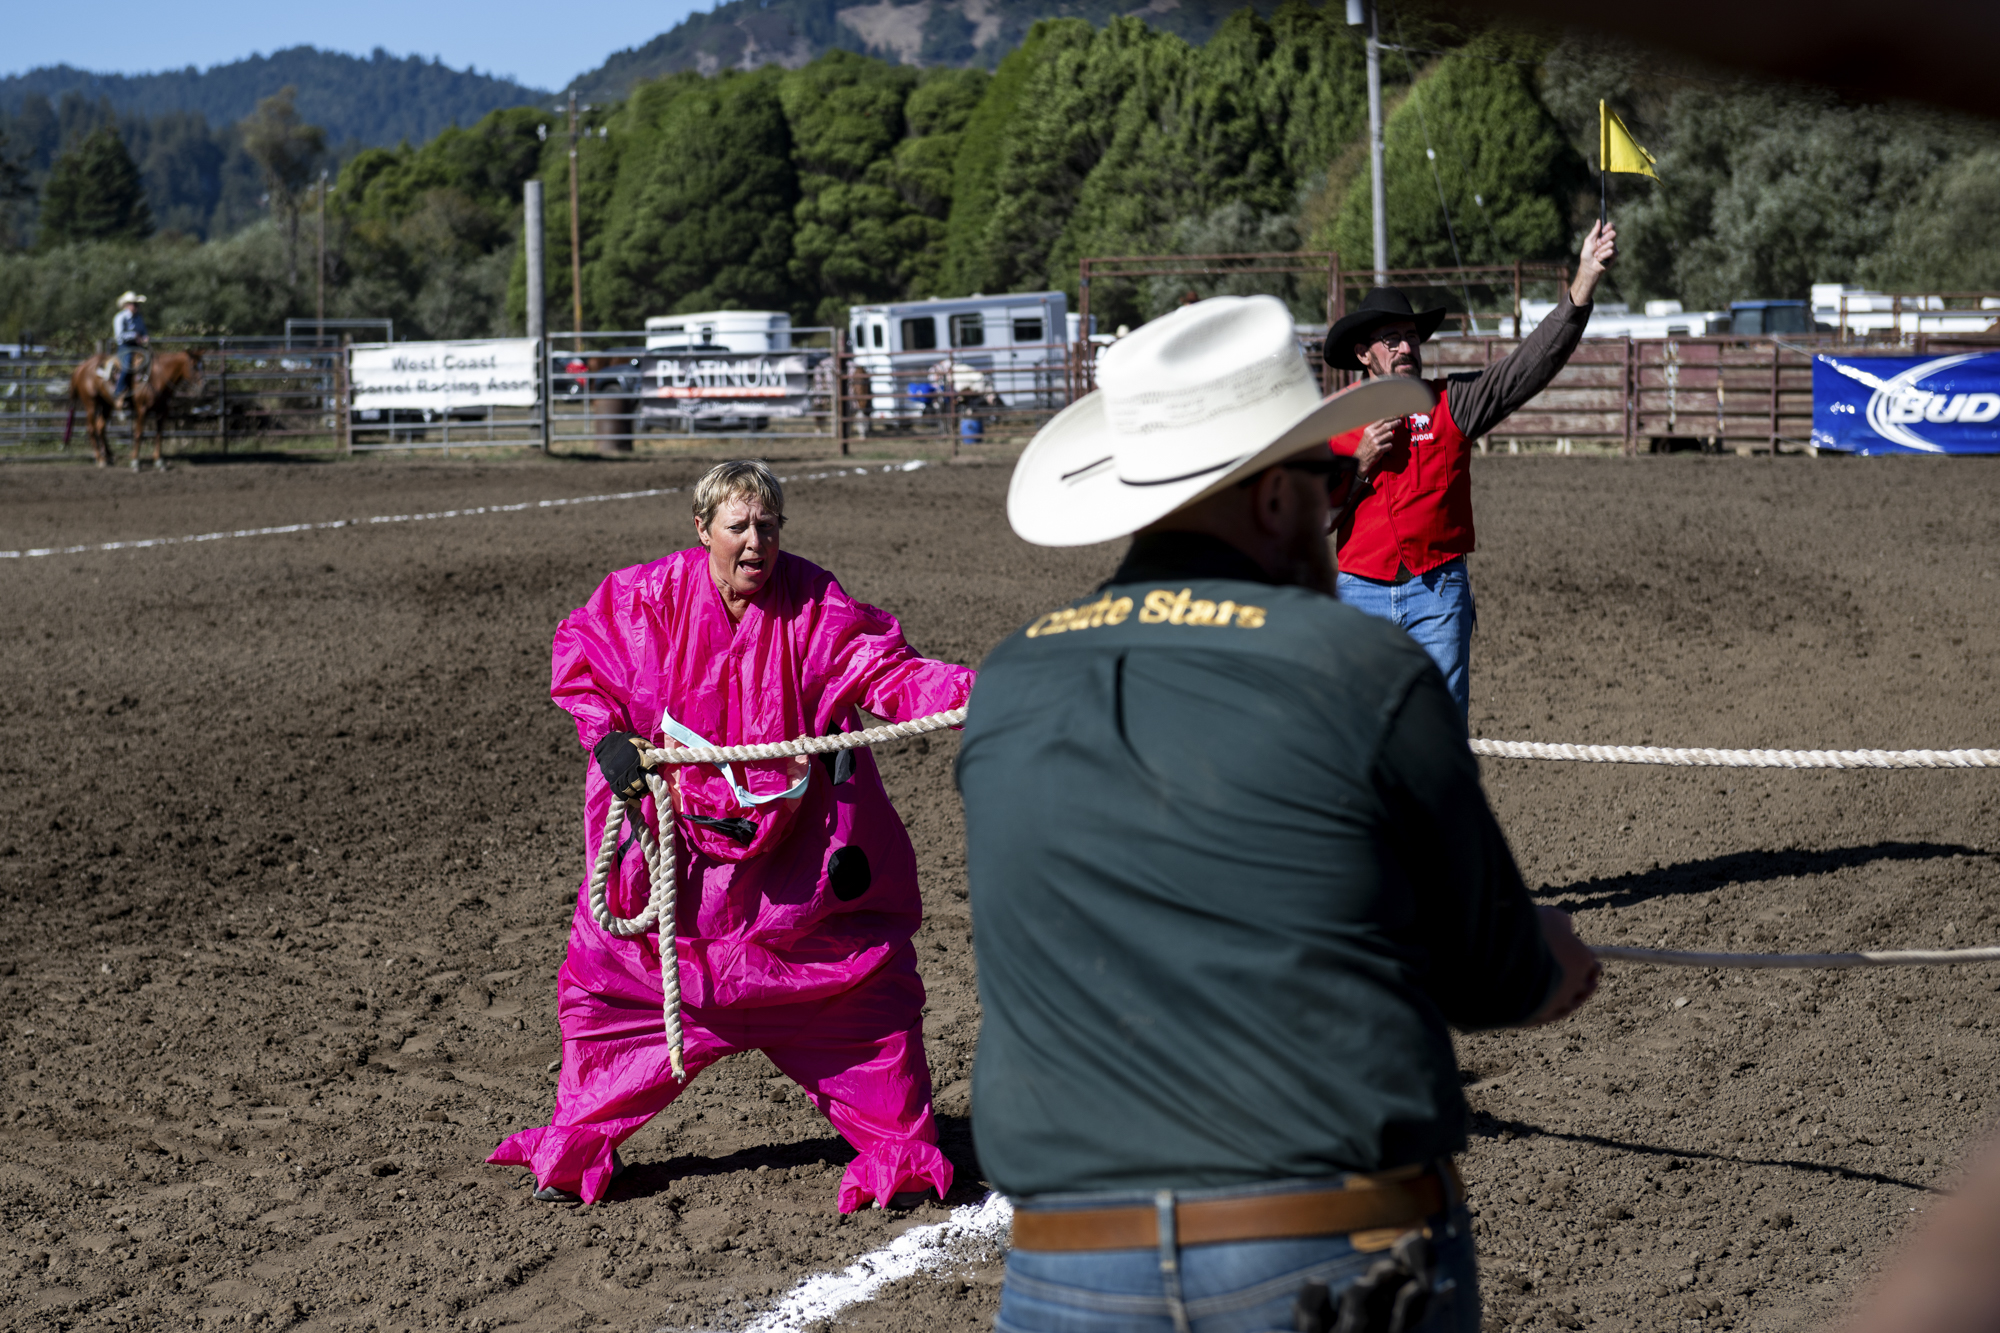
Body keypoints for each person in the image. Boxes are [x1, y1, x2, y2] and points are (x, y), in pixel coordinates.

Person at [958, 295, 1602, 1333]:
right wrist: (1543, 955)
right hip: (1314, 1246)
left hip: (1064, 1268)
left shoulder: (1008, 684)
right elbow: (1488, 974)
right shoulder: (1360, 669)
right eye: (1325, 480)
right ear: (1268, 500)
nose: (1333, 504)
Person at [489, 459, 973, 1211]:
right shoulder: (644, 599)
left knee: (864, 1003)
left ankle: (897, 1146)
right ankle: (580, 1136)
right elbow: (584, 659)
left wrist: (984, 691)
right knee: (612, 992)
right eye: (739, 526)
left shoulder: (815, 605)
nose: (756, 542)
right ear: (702, 528)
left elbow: (886, 672)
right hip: (679, 878)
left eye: (769, 527)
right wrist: (608, 735)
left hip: (794, 886)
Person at [1327, 221, 1619, 724]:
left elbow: (1530, 366)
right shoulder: (1333, 421)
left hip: (1437, 594)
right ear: (1363, 353)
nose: (1405, 348)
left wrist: (1584, 279)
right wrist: (1359, 468)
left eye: (1411, 338)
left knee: (1439, 738)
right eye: (1391, 339)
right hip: (1359, 593)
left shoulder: (1452, 402)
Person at [112, 291, 148, 406]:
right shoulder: (120, 317)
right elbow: (119, 336)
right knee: (127, 365)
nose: (136, 306)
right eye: (134, 304)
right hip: (125, 347)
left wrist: (145, 337)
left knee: (152, 361)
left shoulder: (139, 317)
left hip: (138, 347)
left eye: (137, 304)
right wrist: (134, 336)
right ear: (127, 305)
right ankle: (119, 391)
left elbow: (143, 331)